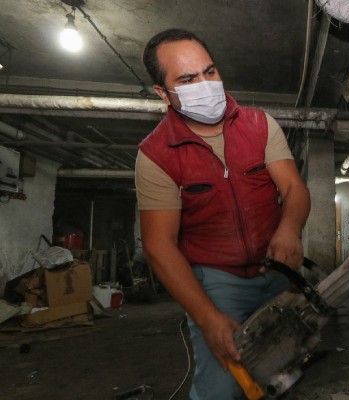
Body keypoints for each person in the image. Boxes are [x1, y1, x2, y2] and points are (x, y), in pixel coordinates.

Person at [135, 28, 311, 399]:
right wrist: (207, 317)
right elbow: (158, 245)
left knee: (285, 369)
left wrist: (290, 229)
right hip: (216, 283)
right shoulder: (156, 155)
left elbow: (294, 188)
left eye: (210, 71)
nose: (205, 84)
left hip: (276, 269)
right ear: (163, 93)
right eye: (187, 79)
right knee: (222, 384)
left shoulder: (260, 126)